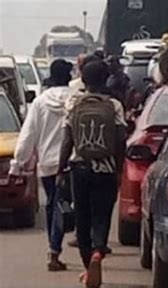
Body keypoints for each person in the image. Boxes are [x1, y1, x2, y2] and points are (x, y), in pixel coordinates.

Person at [58, 60, 127, 287]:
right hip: (105, 170)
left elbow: (67, 140)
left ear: (84, 80)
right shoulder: (115, 105)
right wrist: (118, 170)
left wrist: (60, 169)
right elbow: (120, 139)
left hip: (79, 168)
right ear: (105, 79)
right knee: (102, 215)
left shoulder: (74, 103)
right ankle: (99, 251)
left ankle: (89, 267)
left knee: (83, 217)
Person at [9, 59, 73, 272]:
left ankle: (53, 247)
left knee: (53, 204)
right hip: (72, 163)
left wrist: (18, 163)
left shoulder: (40, 102)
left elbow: (28, 135)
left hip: (47, 164)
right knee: (68, 205)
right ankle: (63, 248)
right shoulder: (77, 99)